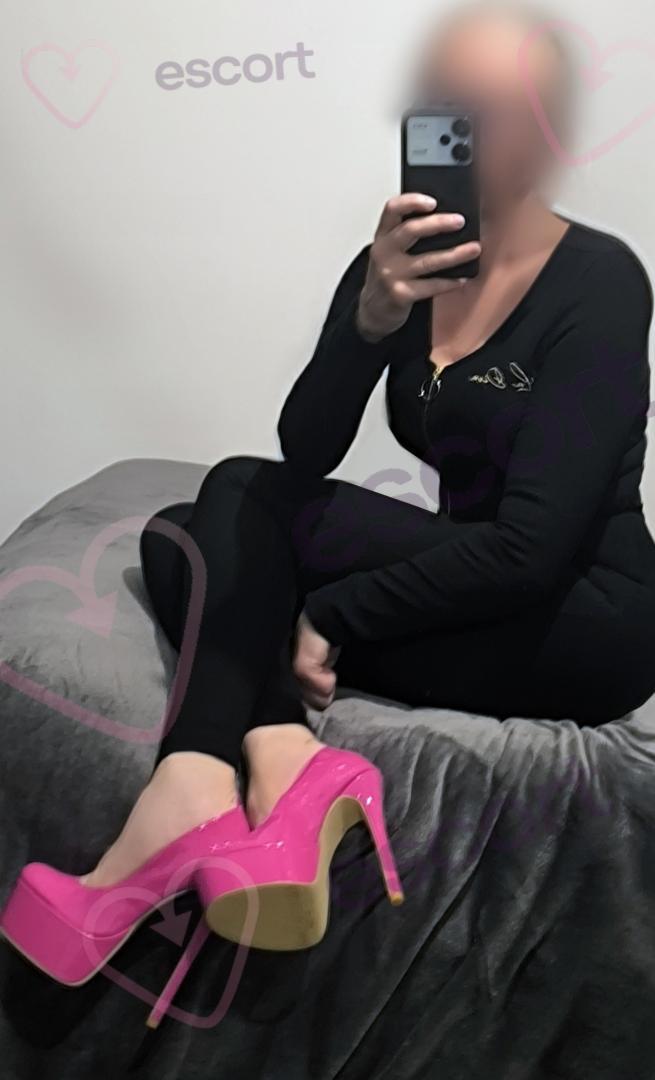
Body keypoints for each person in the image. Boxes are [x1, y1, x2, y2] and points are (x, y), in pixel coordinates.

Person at [2, 0, 654, 1029]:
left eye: (499, 106)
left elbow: (532, 549)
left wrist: (333, 614)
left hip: (585, 616)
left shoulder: (600, 281)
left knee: (234, 521)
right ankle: (274, 756)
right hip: (475, 570)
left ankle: (187, 793)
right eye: (450, 105)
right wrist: (371, 318)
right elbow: (305, 448)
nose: (472, 130)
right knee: (191, 534)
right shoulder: (399, 263)